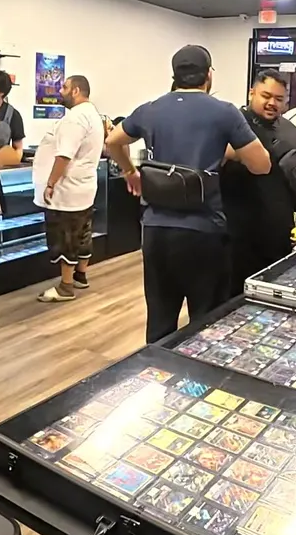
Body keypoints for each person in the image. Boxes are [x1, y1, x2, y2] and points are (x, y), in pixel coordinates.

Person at [105, 45, 270, 343]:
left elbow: (113, 141)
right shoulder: (224, 112)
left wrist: (130, 172)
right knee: (206, 324)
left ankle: (156, 370)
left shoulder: (150, 109)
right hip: (203, 232)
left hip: (156, 231)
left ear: (174, 75)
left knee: (160, 321)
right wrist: (229, 151)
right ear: (209, 75)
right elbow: (261, 165)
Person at [222, 70, 296, 296]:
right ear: (252, 93)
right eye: (266, 96)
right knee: (237, 297)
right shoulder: (232, 125)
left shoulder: (288, 130)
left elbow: (295, 175)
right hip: (239, 234)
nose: (272, 103)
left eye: (279, 99)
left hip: (278, 233)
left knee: (274, 295)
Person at [34, 75, 105, 302]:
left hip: (67, 190)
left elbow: (64, 155)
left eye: (64, 87)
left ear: (75, 91)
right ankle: (80, 276)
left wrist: (51, 183)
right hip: (83, 187)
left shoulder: (75, 118)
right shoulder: (92, 114)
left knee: (65, 237)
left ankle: (66, 287)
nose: (60, 91)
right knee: (82, 233)